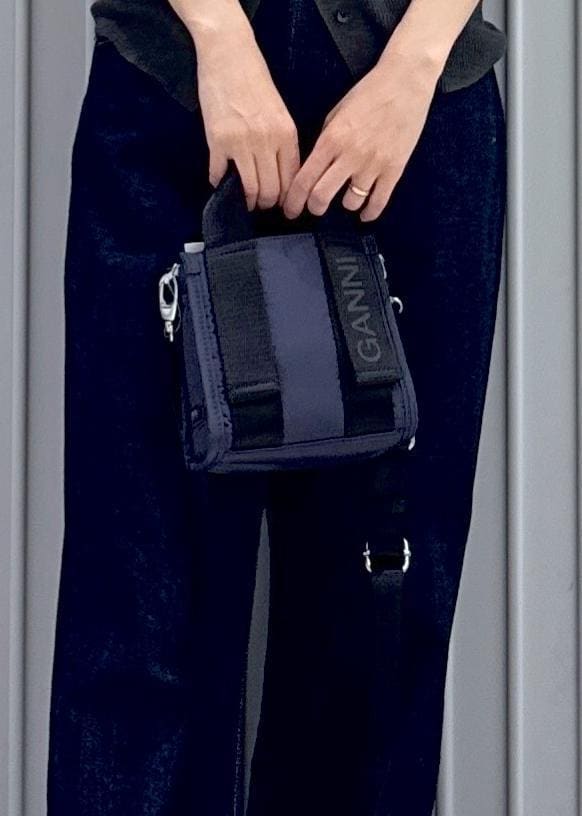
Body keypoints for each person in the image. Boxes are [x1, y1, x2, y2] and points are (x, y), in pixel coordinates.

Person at [46, 1, 507, 815]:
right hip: (174, 94)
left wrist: (410, 69)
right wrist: (221, 41)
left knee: (375, 622)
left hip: (409, 128)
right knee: (140, 613)